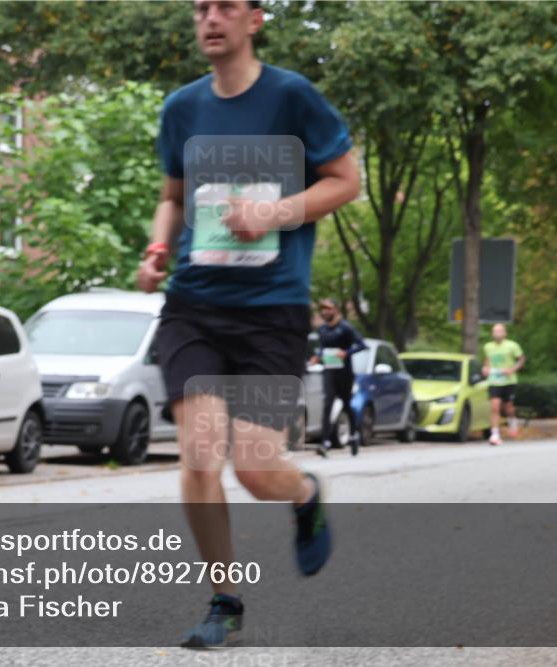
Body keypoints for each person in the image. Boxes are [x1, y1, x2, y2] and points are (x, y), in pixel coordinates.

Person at [135, 0, 359, 649]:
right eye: (201, 7)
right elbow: (173, 197)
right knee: (200, 450)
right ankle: (224, 599)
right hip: (194, 305)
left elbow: (346, 180)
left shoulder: (293, 97)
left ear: (254, 19)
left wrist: (275, 210)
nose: (210, 17)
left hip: (272, 310)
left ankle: (305, 492)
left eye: (225, 6)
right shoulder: (182, 108)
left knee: (259, 470)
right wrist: (156, 249)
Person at [310, 298, 367, 456]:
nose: (324, 312)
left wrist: (346, 353)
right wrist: (317, 356)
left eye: (327, 308)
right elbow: (322, 348)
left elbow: (362, 345)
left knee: (346, 404)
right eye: (322, 309)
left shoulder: (346, 328)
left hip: (344, 372)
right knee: (327, 404)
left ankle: (354, 434)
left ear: (335, 310)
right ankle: (325, 442)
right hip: (329, 370)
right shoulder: (322, 330)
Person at [482, 323, 526, 446]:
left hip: (509, 381)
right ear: (492, 334)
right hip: (494, 380)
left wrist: (512, 369)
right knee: (495, 407)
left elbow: (522, 359)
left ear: (505, 333)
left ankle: (512, 421)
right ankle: (495, 434)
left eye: (500, 331)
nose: (497, 334)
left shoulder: (512, 345)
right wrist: (485, 368)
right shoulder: (488, 346)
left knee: (508, 408)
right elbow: (487, 360)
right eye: (495, 331)